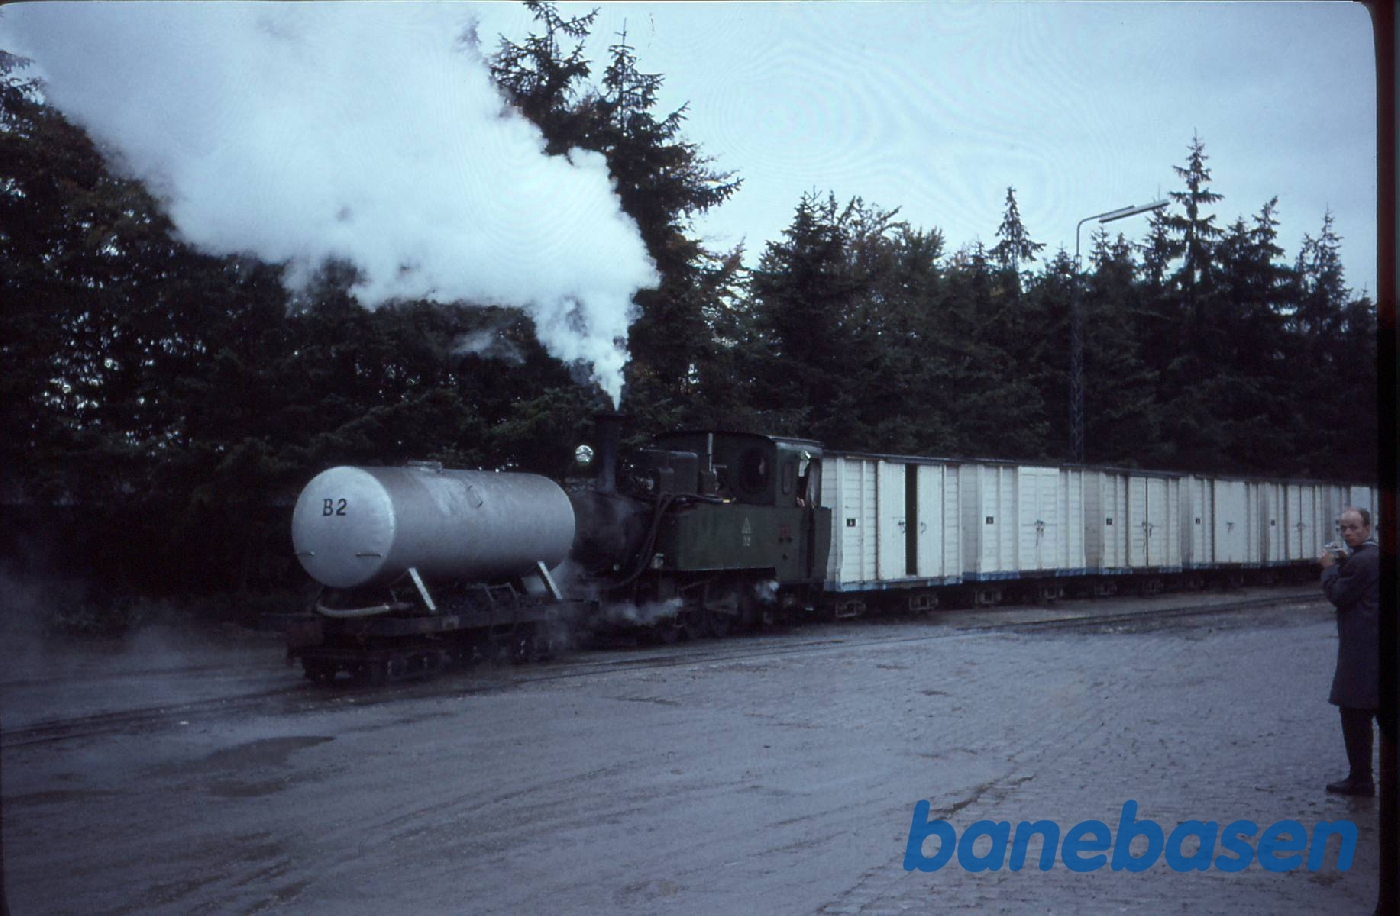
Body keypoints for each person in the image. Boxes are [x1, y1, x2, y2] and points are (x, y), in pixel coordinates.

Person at [1319, 506, 1381, 796]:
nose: (1347, 533)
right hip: (1374, 647)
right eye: (1343, 528)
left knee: (1354, 714)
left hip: (1361, 652)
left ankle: (1361, 779)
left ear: (1368, 527)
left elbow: (1338, 594)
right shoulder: (1372, 555)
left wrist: (1329, 568)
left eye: (1354, 527)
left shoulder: (1363, 560)